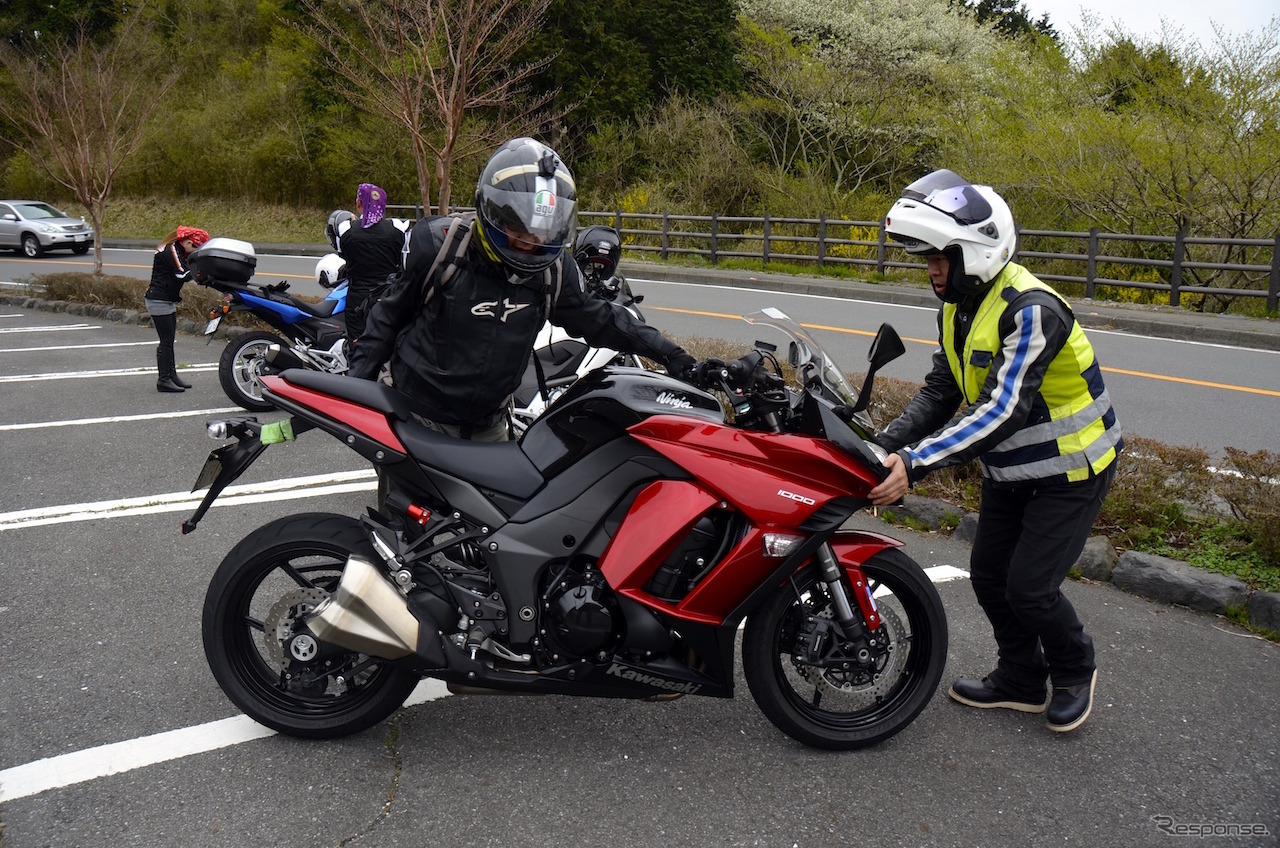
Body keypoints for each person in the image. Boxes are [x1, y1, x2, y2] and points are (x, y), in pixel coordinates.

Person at [868, 169, 1123, 733]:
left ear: (978, 250)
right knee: (987, 574)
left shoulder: (1033, 309)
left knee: (1030, 588)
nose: (932, 270)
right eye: (927, 258)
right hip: (1011, 469)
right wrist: (880, 445)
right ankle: (1020, 679)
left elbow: (1002, 410)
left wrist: (915, 463)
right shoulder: (958, 305)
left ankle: (1074, 669)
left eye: (941, 257)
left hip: (1072, 469)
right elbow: (943, 389)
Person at [348, 137, 694, 443]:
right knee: (405, 516)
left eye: (543, 230)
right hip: (416, 418)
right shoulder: (440, 248)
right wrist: (353, 394)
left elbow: (602, 319)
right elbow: (385, 321)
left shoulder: (553, 272)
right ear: (493, 212)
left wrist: (672, 355)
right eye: (519, 228)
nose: (532, 242)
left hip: (491, 426)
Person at [144, 226, 210, 393]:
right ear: (188, 242)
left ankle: (172, 376)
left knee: (169, 340)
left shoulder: (179, 249)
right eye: (195, 248)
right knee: (165, 341)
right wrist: (204, 275)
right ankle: (163, 379)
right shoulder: (171, 250)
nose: (194, 252)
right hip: (158, 299)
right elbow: (182, 274)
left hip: (166, 299)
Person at [337, 183, 405, 343]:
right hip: (388, 299)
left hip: (357, 302)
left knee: (358, 348)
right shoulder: (397, 228)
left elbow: (342, 253)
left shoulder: (346, 229)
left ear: (358, 203)